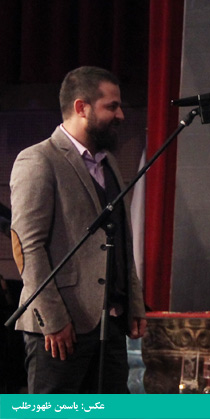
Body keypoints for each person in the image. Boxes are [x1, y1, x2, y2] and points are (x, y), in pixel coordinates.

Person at [9, 66, 147, 393]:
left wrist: (134, 303)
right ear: (81, 107)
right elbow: (27, 248)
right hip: (61, 331)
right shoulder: (38, 160)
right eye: (111, 106)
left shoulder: (109, 163)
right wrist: (53, 320)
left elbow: (122, 241)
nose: (121, 115)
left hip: (111, 327)